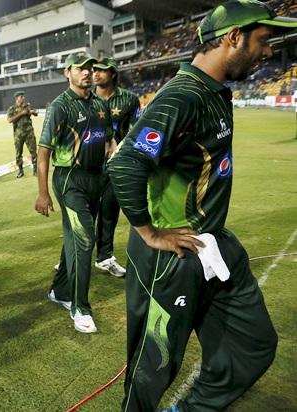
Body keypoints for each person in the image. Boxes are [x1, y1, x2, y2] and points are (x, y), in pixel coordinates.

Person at [107, 1, 294, 409]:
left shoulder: (212, 90)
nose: (269, 51)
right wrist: (148, 232)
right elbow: (124, 164)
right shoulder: (182, 96)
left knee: (253, 345)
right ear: (232, 38)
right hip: (171, 258)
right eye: (264, 40)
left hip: (211, 244)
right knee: (152, 368)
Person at [34, 53, 115, 333]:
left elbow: (108, 140)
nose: (88, 73)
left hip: (96, 177)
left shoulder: (100, 105)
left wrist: (112, 161)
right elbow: (43, 152)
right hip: (70, 179)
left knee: (74, 236)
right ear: (67, 72)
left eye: (91, 68)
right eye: (81, 68)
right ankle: (80, 308)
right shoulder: (59, 106)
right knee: (84, 238)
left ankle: (60, 291)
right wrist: (42, 193)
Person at [91, 57, 141, 277]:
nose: (95, 74)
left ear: (112, 73)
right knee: (83, 213)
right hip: (88, 166)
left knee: (109, 211)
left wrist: (121, 153)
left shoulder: (129, 99)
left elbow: (135, 131)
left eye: (101, 71)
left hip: (115, 166)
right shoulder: (85, 98)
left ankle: (105, 257)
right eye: (94, 70)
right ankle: (71, 257)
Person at [6, 91, 38, 178]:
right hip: (18, 135)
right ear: (16, 98)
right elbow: (9, 120)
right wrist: (21, 114)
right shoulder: (12, 109)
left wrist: (32, 112)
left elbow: (36, 113)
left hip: (29, 133)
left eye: (23, 96)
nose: (23, 98)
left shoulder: (27, 106)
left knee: (33, 151)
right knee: (18, 153)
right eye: (21, 96)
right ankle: (20, 171)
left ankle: (35, 170)